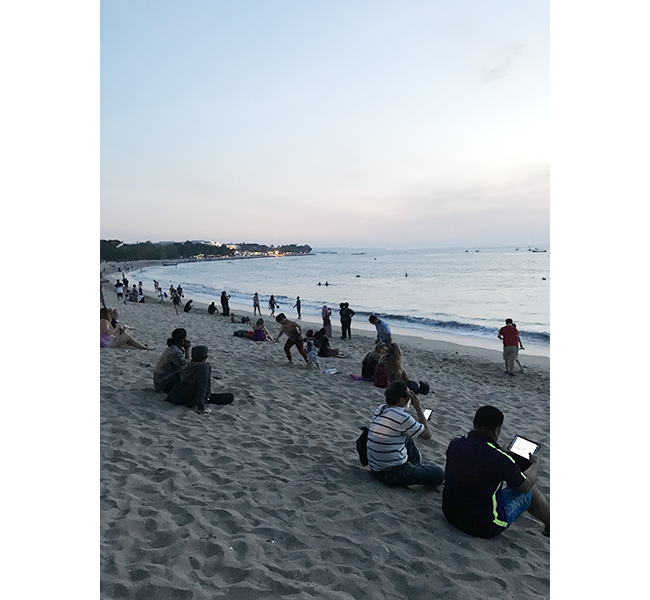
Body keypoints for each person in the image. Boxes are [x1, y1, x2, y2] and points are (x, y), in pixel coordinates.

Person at [442, 405, 550, 538]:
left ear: (474, 423)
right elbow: (525, 486)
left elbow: (477, 461)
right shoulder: (500, 459)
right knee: (531, 490)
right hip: (484, 526)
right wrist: (535, 464)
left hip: (451, 514)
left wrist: (504, 455)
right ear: (497, 430)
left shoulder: (455, 444)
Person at [366, 381, 444, 488]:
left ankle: (416, 467)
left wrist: (421, 420)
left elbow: (403, 424)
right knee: (439, 473)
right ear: (402, 399)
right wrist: (418, 409)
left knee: (407, 437)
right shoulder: (403, 417)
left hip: (376, 466)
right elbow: (427, 435)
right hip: (393, 472)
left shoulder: (381, 409)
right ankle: (417, 470)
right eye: (408, 395)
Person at [165, 345, 234, 414]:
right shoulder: (203, 368)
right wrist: (201, 407)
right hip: (191, 398)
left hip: (178, 396)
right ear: (205, 357)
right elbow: (201, 388)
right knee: (230, 397)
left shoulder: (187, 365)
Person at [153, 328, 192, 393]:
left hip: (160, 380)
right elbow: (187, 367)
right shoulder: (176, 352)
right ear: (182, 339)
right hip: (163, 383)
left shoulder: (172, 348)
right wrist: (187, 349)